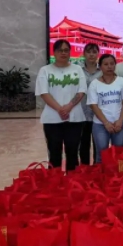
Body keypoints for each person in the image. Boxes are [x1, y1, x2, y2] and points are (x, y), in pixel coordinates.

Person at [35, 39, 87, 171]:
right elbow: (44, 93)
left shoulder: (77, 69)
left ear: (70, 52)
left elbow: (81, 91)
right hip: (52, 119)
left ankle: (72, 181)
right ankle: (55, 180)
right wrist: (60, 109)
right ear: (54, 52)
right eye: (60, 50)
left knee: (73, 153)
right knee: (54, 153)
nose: (63, 53)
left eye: (66, 50)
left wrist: (69, 107)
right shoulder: (45, 70)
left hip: (75, 118)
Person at [87, 54, 123, 164]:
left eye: (112, 64)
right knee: (101, 155)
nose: (109, 66)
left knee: (119, 154)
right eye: (106, 64)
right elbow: (93, 105)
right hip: (100, 125)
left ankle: (117, 175)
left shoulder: (122, 82)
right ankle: (100, 174)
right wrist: (106, 123)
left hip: (119, 124)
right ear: (100, 66)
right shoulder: (94, 84)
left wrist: (120, 121)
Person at [80, 43, 101, 165]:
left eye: (94, 52)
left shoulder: (102, 70)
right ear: (84, 54)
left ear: (98, 54)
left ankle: (97, 169)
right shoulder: (77, 70)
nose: (91, 55)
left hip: (98, 114)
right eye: (88, 52)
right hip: (81, 112)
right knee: (83, 144)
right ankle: (85, 169)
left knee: (98, 144)